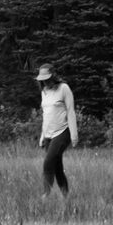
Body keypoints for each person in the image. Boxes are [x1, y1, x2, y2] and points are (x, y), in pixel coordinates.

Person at [36, 63, 78, 197]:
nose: (45, 82)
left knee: (48, 162)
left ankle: (45, 195)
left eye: (47, 78)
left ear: (53, 76)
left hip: (62, 132)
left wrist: (74, 135)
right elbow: (46, 115)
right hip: (48, 134)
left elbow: (71, 111)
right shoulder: (44, 92)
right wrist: (42, 136)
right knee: (57, 167)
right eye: (42, 79)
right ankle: (66, 196)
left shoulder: (64, 88)